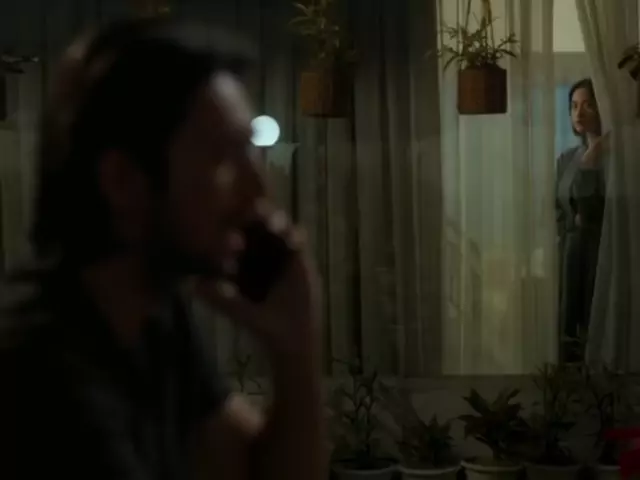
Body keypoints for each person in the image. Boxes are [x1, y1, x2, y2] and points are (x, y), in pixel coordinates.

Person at [0, 19, 326, 480]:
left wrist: (295, 348)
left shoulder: (152, 320)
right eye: (223, 159)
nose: (258, 190)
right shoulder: (41, 379)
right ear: (123, 181)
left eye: (249, 154)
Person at [556, 78, 606, 362]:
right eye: (574, 106)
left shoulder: (616, 159)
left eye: (588, 105)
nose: (579, 113)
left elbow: (592, 210)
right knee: (566, 326)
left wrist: (590, 161)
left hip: (598, 254)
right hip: (568, 253)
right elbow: (557, 207)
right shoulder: (566, 159)